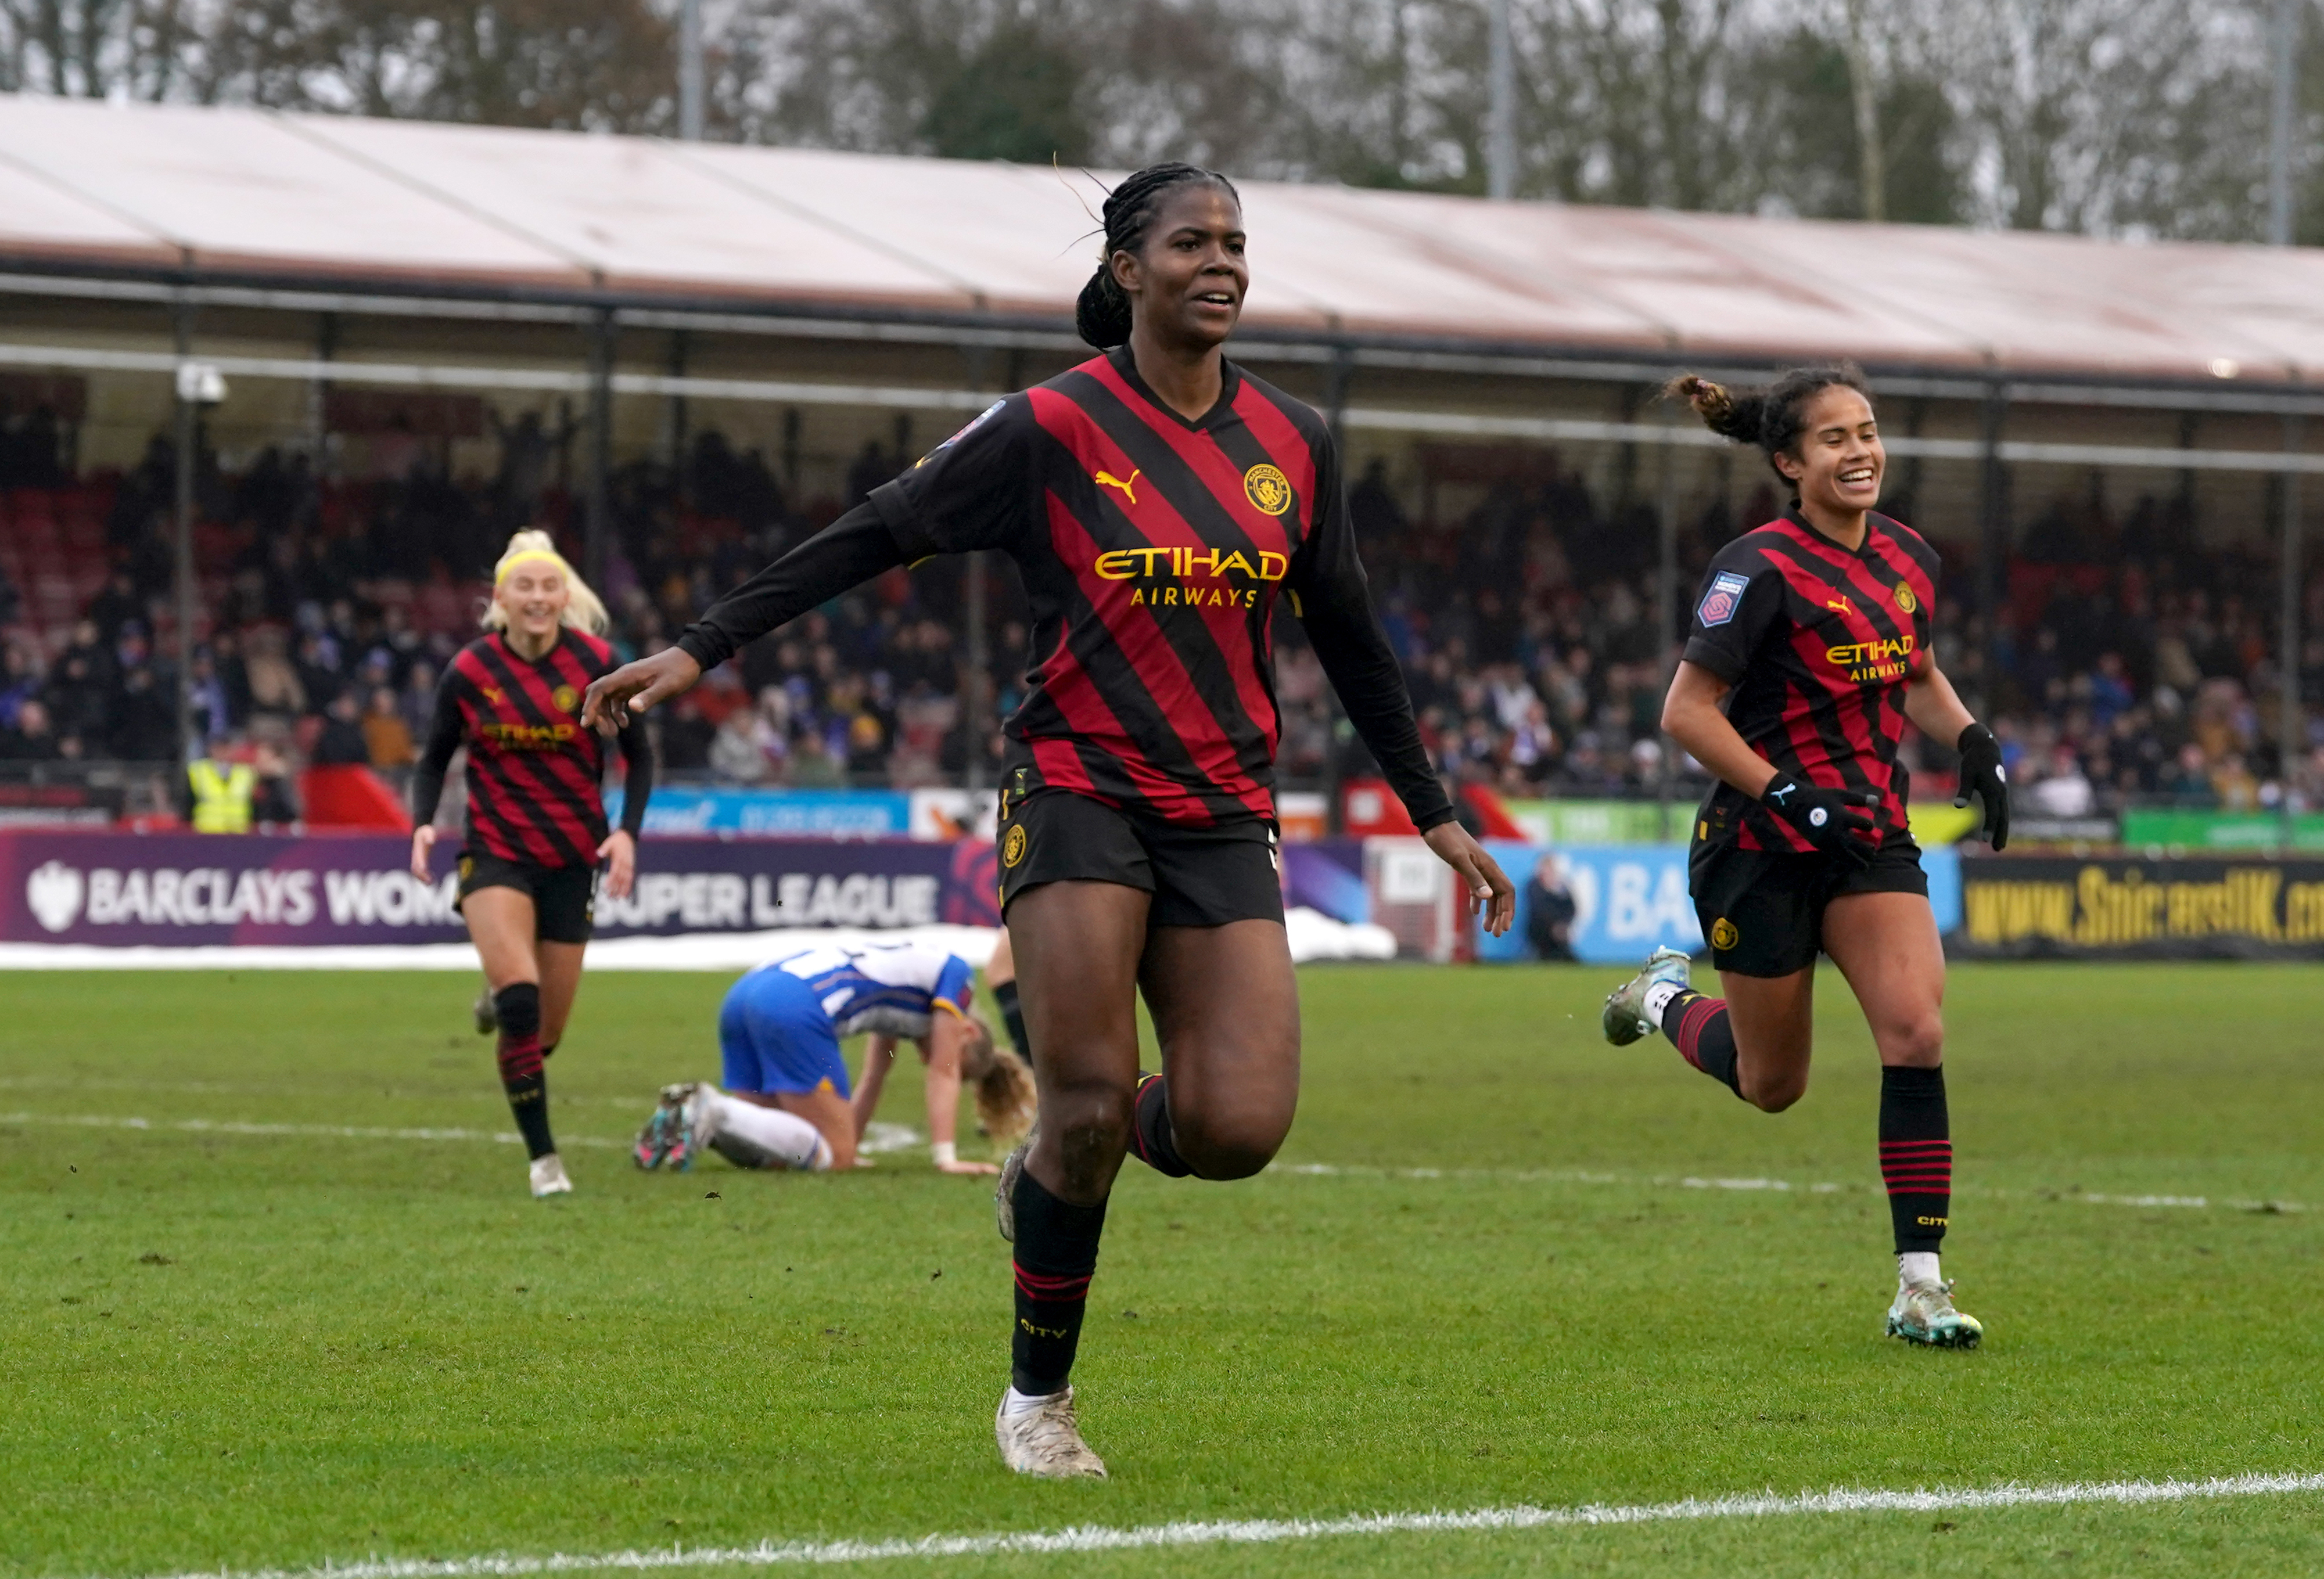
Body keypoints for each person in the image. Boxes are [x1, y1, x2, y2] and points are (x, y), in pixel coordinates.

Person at [583, 161, 1513, 1479]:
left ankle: (1039, 1176)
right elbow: (875, 532)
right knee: (1080, 1102)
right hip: (1075, 786)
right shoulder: (1049, 427)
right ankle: (1036, 1400)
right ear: (1126, 270)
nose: (1222, 263)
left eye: (1236, 244)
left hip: (1218, 810)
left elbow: (1351, 636)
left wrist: (1434, 809)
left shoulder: (1295, 441)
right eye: (1191, 241)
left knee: (1238, 1125)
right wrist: (698, 647)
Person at [1599, 366, 2009, 1350]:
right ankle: (1661, 997)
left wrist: (1971, 739)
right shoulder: (1757, 569)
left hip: (1867, 835)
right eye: (1834, 438)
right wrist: (1782, 787)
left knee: (1915, 1028)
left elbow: (1913, 669)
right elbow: (1686, 711)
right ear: (1790, 462)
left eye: (1867, 431)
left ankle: (1921, 1285)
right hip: (1760, 844)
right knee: (1770, 1082)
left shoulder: (1910, 556)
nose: (1859, 450)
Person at [409, 530, 654, 1199]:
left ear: (565, 595)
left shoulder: (600, 663)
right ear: (502, 598)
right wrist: (424, 822)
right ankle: (544, 1160)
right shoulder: (469, 671)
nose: (539, 597)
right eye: (526, 586)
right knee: (523, 1002)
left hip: (574, 857)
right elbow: (433, 756)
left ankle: (499, 996)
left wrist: (627, 834)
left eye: (550, 586)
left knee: (543, 1035)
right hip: (494, 851)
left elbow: (640, 757)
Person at [634, 940, 1035, 1175]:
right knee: (831, 1155)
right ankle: (713, 1107)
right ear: (968, 1032)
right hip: (792, 1004)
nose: (928, 1057)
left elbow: (875, 1075)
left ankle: (695, 1118)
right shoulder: (956, 979)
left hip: (746, 993)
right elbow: (944, 1073)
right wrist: (946, 1157)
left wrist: (850, 1145)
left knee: (773, 1145)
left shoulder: (906, 997)